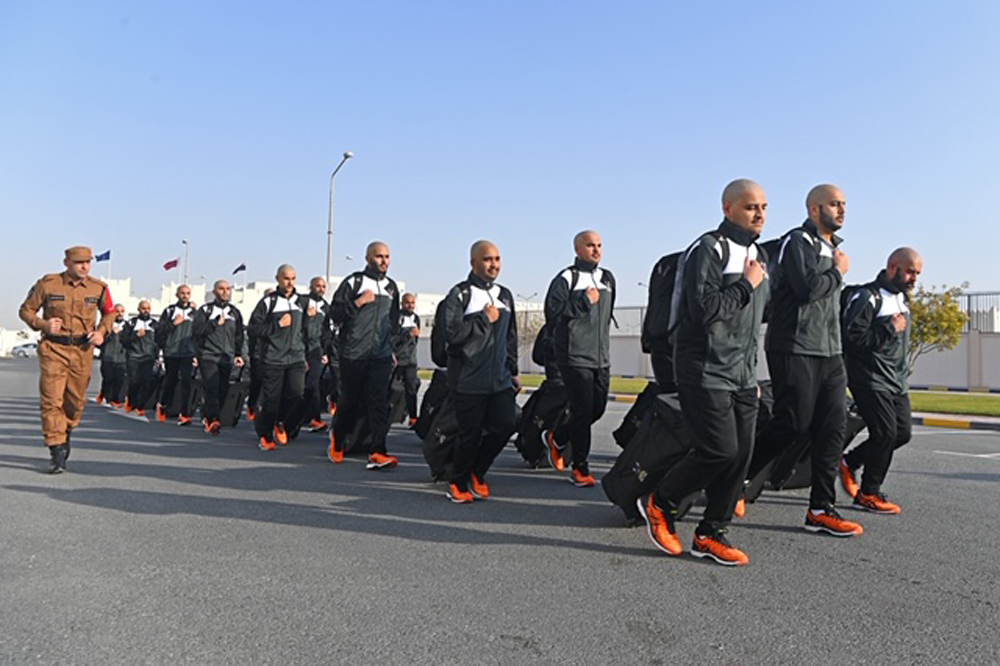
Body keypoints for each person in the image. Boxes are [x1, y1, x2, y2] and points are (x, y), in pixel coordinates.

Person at [636, 179, 769, 566]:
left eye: (764, 206)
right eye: (750, 207)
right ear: (728, 209)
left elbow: (754, 320)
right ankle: (662, 502)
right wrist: (746, 285)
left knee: (741, 454)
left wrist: (751, 374)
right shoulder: (708, 248)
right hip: (703, 368)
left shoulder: (758, 255)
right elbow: (706, 310)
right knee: (719, 450)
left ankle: (712, 533)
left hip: (742, 374)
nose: (759, 213)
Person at [745, 184, 864, 537]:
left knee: (832, 427)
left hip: (830, 351)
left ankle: (821, 509)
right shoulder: (798, 241)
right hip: (793, 346)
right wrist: (838, 272)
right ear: (814, 210)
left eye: (844, 204)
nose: (841, 210)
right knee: (793, 423)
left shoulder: (832, 249)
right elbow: (807, 289)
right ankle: (738, 476)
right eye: (834, 204)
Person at [18, 246, 116, 473]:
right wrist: (43, 324)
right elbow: (26, 311)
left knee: (74, 401)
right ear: (66, 263)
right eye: (79, 262)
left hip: (82, 350)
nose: (84, 266)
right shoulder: (48, 284)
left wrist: (102, 331)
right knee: (52, 400)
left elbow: (110, 312)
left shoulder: (98, 288)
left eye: (87, 262)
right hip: (53, 348)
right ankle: (56, 448)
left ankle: (66, 431)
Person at [840, 248, 922, 514]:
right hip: (869, 379)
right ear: (892, 266)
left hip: (896, 381)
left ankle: (849, 462)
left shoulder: (903, 300)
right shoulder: (868, 297)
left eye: (917, 274)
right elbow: (851, 340)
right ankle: (868, 493)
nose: (914, 278)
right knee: (884, 433)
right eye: (910, 271)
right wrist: (888, 328)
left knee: (902, 433)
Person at [441, 240, 520, 503]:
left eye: (497, 259)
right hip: (468, 379)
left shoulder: (505, 295)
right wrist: (483, 319)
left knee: (506, 424)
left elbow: (511, 337)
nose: (493, 264)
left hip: (499, 379)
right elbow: (451, 335)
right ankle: (458, 481)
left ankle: (478, 470)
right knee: (469, 434)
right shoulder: (460, 294)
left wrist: (514, 370)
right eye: (487, 259)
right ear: (473, 262)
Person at [542, 230, 615, 487]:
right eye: (590, 245)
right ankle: (580, 467)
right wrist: (584, 301)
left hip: (601, 357)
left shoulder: (608, 278)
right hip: (573, 357)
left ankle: (558, 437)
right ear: (577, 249)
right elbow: (553, 313)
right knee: (583, 411)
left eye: (599, 245)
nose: (596, 250)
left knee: (597, 408)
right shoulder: (566, 278)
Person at [327, 242, 401, 470]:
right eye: (379, 256)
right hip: (354, 354)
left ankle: (378, 450)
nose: (384, 261)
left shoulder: (391, 287)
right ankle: (337, 441)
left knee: (379, 402)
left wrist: (392, 349)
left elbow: (394, 321)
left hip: (380, 355)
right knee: (349, 401)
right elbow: (335, 315)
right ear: (368, 258)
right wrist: (358, 302)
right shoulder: (354, 282)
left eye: (387, 256)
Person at [248, 265, 309, 450]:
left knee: (296, 394)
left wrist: (305, 353)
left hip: (296, 358)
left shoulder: (302, 302)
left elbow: (304, 331)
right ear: (277, 279)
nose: (290, 282)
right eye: (286, 278)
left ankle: (280, 421)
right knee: (271, 399)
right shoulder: (268, 302)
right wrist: (277, 325)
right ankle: (265, 435)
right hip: (273, 358)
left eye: (293, 278)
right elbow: (253, 328)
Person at [193, 279, 246, 435]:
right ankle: (213, 419)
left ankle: (208, 413)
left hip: (226, 357)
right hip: (208, 355)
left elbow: (239, 335)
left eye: (227, 289)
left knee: (223, 389)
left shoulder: (235, 312)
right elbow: (197, 331)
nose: (225, 292)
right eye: (221, 289)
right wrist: (214, 323)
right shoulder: (205, 311)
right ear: (215, 292)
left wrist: (238, 354)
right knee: (212, 386)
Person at [155, 284, 197, 425]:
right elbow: (159, 330)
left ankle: (185, 413)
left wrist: (197, 353)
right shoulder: (170, 311)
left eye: (187, 293)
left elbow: (199, 333)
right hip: (172, 352)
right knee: (170, 381)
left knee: (187, 381)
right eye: (182, 293)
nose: (185, 295)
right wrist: (173, 323)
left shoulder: (195, 312)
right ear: (177, 295)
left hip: (188, 353)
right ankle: (163, 405)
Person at [301, 277, 332, 433]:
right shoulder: (302, 302)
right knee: (299, 386)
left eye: (323, 286)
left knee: (313, 384)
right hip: (299, 348)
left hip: (316, 350)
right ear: (311, 287)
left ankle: (315, 418)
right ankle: (299, 416)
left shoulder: (325, 307)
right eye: (318, 286)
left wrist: (325, 351)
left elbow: (326, 331)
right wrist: (309, 317)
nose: (321, 289)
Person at [122, 300, 158, 417]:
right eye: (143, 308)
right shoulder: (131, 323)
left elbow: (158, 341)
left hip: (148, 357)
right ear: (138, 309)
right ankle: (131, 401)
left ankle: (140, 405)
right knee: (134, 381)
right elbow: (124, 341)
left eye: (148, 308)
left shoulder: (154, 324)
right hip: (134, 357)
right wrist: (135, 336)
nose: (146, 311)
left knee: (145, 382)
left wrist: (157, 356)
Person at [393, 292, 422, 426]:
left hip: (410, 361)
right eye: (407, 302)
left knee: (411, 389)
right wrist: (408, 334)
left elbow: (415, 341)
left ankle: (413, 417)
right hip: (397, 360)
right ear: (402, 303)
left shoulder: (416, 318)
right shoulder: (397, 318)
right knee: (391, 388)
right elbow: (393, 339)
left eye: (412, 303)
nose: (410, 305)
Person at [246, 287, 275, 422]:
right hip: (258, 353)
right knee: (257, 381)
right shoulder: (259, 314)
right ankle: (252, 406)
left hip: (275, 354)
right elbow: (252, 332)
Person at [96, 303, 128, 408]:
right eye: (117, 311)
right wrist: (112, 334)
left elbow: (130, 342)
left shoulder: (127, 326)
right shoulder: (106, 325)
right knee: (108, 379)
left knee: (119, 380)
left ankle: (115, 400)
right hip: (108, 357)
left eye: (122, 311)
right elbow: (99, 343)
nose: (119, 314)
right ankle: (105, 394)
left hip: (121, 358)